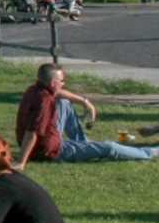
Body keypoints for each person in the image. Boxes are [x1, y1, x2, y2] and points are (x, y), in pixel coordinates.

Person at [16, 63, 157, 165]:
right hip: (51, 152)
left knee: (64, 102)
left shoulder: (35, 89)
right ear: (53, 83)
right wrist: (21, 162)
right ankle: (150, 153)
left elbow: (59, 93)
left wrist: (85, 102)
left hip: (43, 145)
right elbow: (32, 132)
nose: (64, 84)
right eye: (62, 81)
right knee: (109, 147)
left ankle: (83, 143)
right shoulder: (45, 102)